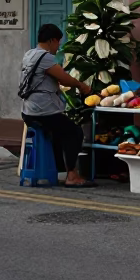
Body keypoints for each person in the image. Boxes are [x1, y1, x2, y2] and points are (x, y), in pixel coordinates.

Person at [19, 25, 94, 188]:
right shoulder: (45, 57)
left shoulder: (29, 54)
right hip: (42, 111)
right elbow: (65, 79)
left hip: (28, 111)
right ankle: (72, 175)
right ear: (52, 40)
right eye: (58, 42)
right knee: (74, 131)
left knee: (59, 132)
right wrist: (82, 86)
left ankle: (56, 170)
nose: (58, 46)